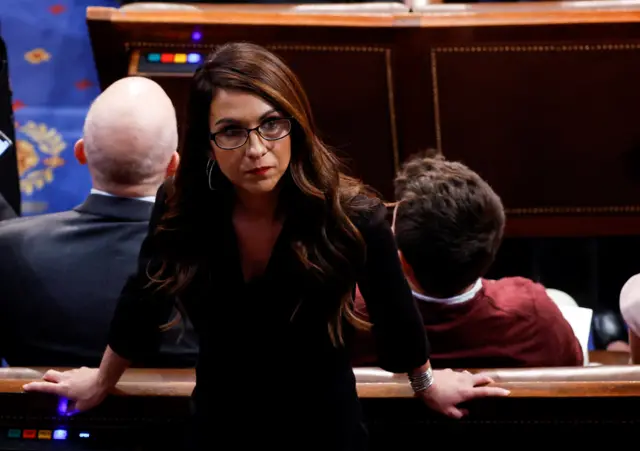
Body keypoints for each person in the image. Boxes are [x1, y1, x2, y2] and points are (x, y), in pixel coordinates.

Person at [23, 42, 509, 450]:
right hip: (219, 425)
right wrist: (103, 379)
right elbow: (145, 295)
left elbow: (395, 313)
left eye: (272, 123)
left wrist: (426, 384)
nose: (256, 150)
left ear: (295, 124)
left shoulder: (352, 212)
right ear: (207, 143)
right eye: (232, 131)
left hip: (324, 431)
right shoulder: (181, 203)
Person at [0, 76, 197, 368]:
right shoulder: (219, 261)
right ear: (173, 165)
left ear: (81, 152)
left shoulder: (7, 248)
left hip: (42, 414)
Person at [352, 153, 583, 369]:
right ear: (491, 249)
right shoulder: (534, 313)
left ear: (401, 259)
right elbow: (575, 362)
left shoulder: (353, 314)